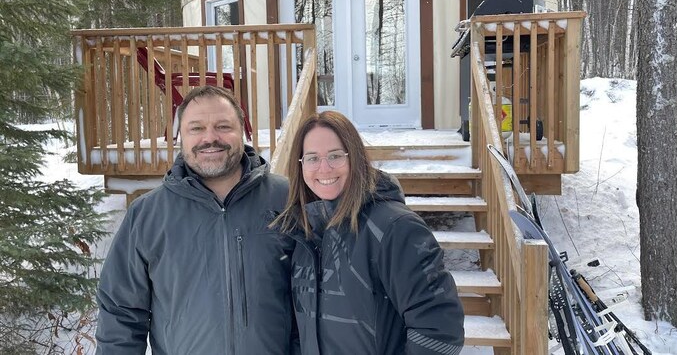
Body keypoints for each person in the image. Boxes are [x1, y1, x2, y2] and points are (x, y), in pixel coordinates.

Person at [96, 86, 296, 354]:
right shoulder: (148, 215)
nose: (210, 138)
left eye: (223, 126)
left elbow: (317, 298)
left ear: (243, 132)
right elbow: (120, 313)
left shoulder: (286, 200)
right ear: (181, 137)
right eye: (196, 128)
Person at [273, 111, 465, 355]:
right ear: (300, 166)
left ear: (355, 158)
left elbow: (440, 329)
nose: (324, 168)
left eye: (335, 156)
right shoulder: (304, 233)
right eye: (312, 158)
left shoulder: (394, 228)